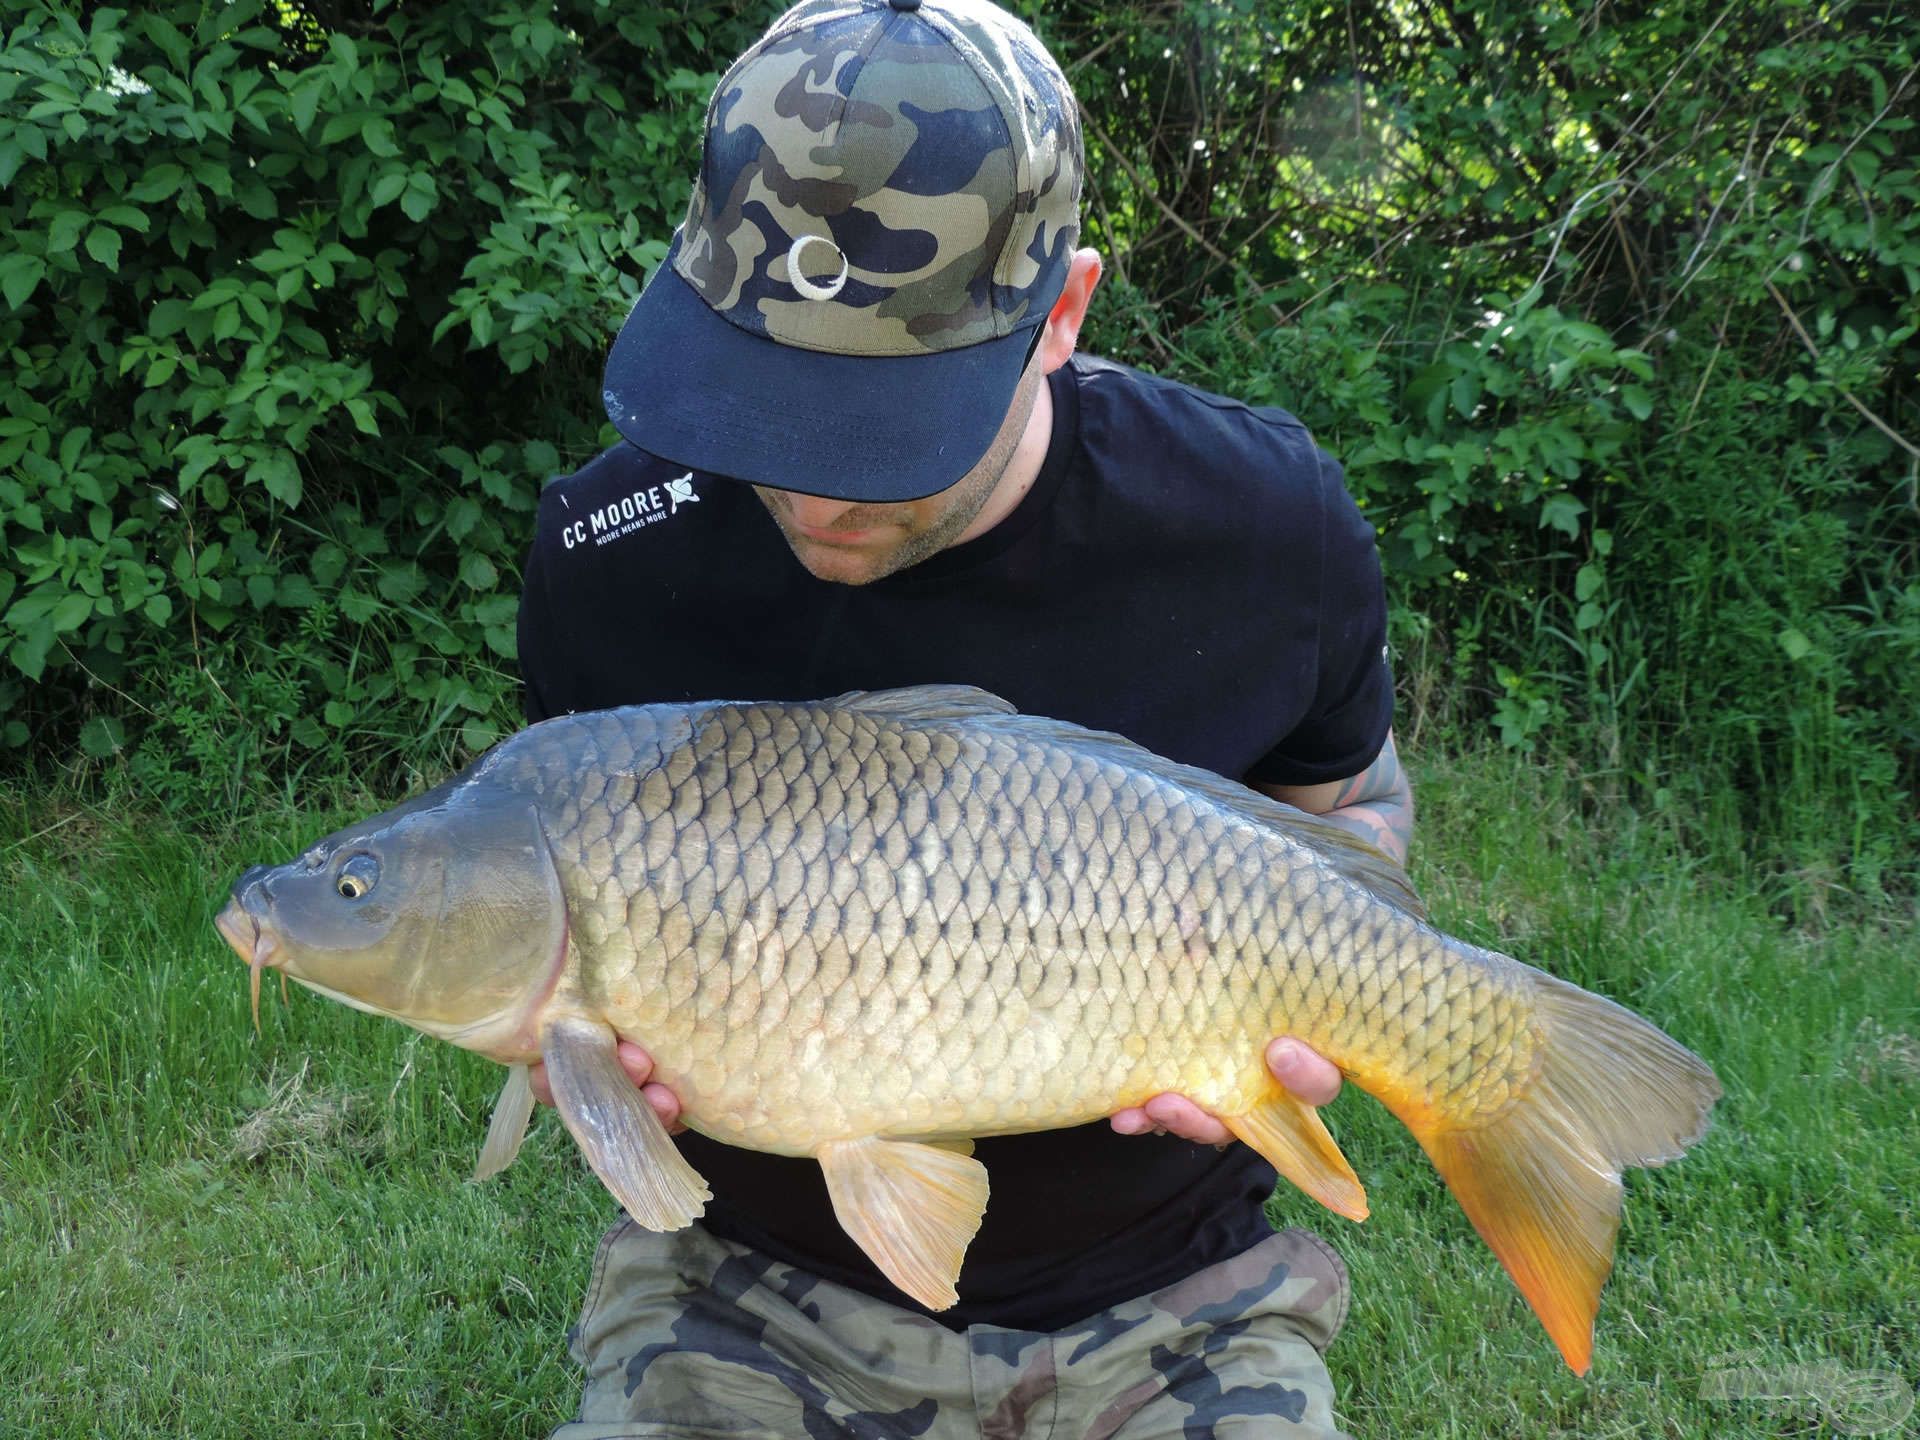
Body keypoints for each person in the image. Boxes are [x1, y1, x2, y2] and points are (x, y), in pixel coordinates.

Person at [514, 1, 1412, 1433]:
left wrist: (1327, 997)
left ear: (1061, 316)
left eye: (881, 431)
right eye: (764, 403)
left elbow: (1357, 814)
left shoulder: (1265, 530)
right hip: (750, 1284)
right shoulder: (608, 562)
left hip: (1172, 1288)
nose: (813, 494)